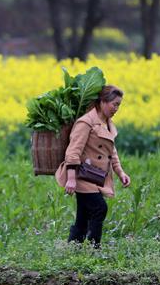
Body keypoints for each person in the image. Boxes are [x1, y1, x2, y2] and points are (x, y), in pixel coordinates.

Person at [54, 85, 131, 249]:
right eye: (114, 104)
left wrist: (121, 172)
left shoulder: (107, 123)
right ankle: (94, 248)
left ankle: (74, 248)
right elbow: (73, 152)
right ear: (103, 102)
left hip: (96, 176)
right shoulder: (86, 122)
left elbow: (112, 152)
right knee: (99, 208)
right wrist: (72, 180)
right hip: (82, 175)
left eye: (119, 105)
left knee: (83, 216)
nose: (116, 109)